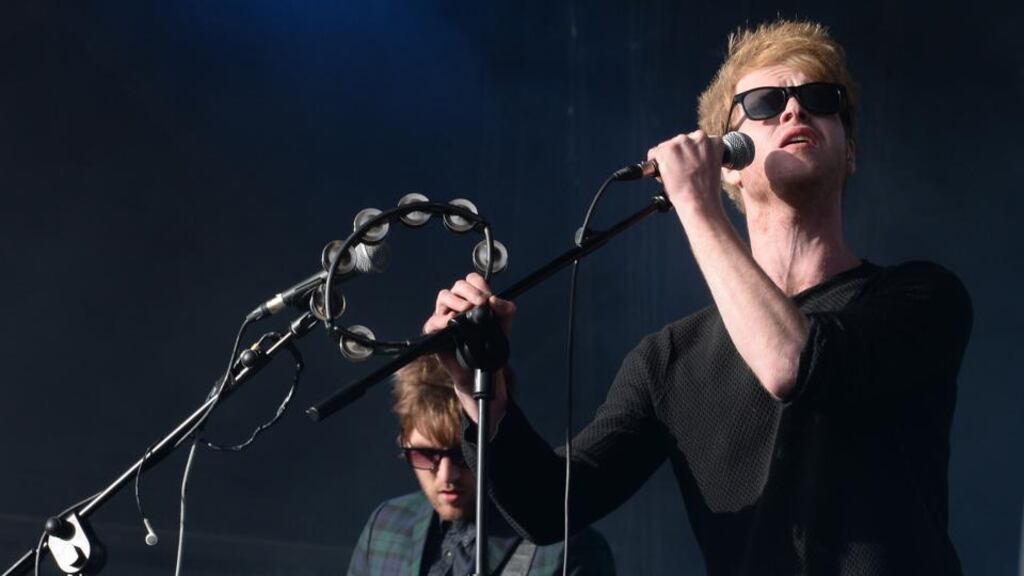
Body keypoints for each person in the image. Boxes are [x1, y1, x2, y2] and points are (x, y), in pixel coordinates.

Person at [423, 19, 972, 575]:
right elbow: (548, 509)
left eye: (818, 98)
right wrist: (480, 387)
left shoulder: (919, 297)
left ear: (849, 150)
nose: (793, 111)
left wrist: (697, 207)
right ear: (729, 165)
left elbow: (795, 365)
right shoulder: (671, 359)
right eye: (763, 102)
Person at [346, 355, 616, 576]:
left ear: (493, 442)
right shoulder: (386, 524)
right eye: (425, 455)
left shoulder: (571, 549)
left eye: (463, 455)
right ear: (404, 441)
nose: (447, 475)